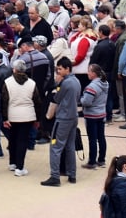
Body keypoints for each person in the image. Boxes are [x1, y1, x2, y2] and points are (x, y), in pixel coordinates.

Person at [42, 57, 80, 186]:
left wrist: (57, 84)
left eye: (60, 69)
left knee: (55, 147)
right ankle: (72, 174)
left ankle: (55, 176)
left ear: (67, 69)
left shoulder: (65, 83)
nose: (58, 72)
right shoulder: (76, 81)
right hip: (73, 117)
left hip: (63, 118)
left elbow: (56, 98)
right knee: (70, 146)